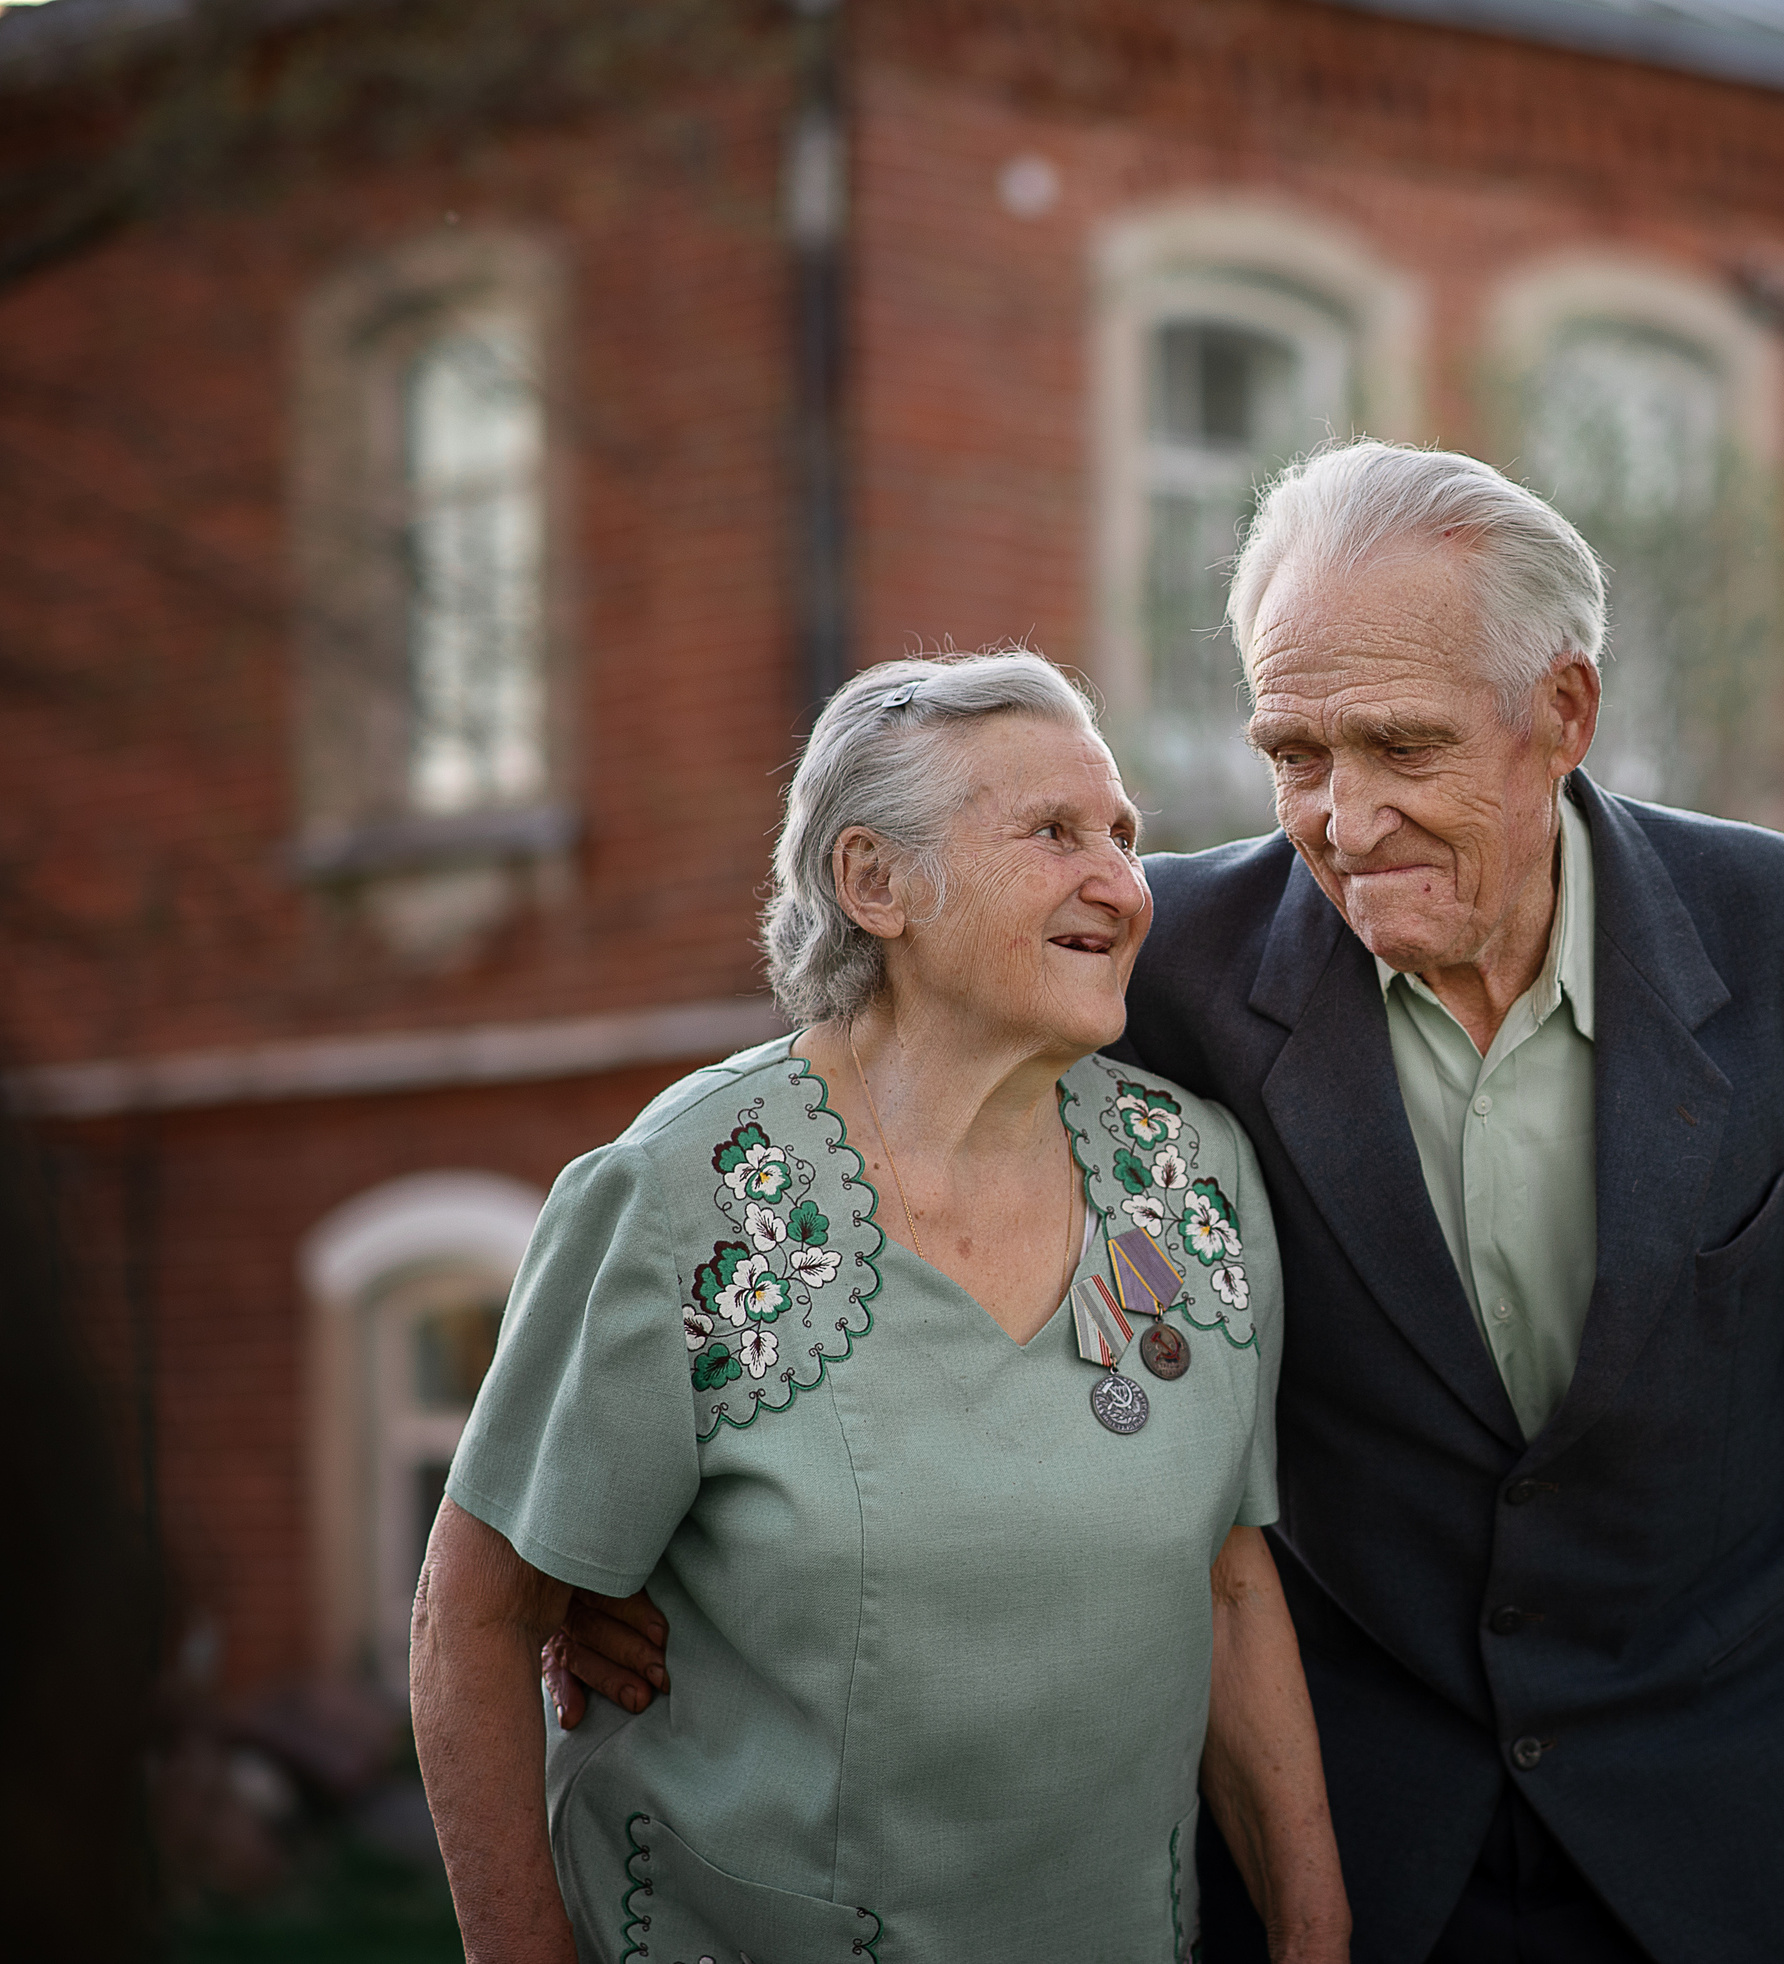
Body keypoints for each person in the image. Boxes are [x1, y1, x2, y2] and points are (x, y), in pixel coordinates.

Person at [557, 445, 1784, 1962]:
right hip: (1358, 1838)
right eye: (1295, 754)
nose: (1345, 818)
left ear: (1560, 714)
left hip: (1748, 1791)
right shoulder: (1161, 972)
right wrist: (645, 1551)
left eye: (1401, 746)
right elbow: (879, 1121)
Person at [411, 654, 1352, 1963]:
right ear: (875, 883)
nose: (1124, 885)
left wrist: (1318, 1937)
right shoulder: (680, 1197)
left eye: (1125, 836)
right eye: (1054, 832)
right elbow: (474, 1614)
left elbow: (1233, 1586)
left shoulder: (1196, 1178)